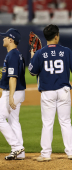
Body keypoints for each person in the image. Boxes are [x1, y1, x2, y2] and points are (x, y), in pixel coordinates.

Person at [28, 24, 72, 161]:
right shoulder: (66, 51)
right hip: (63, 91)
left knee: (47, 123)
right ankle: (70, 152)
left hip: (47, 93)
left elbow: (32, 72)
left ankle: (46, 154)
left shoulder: (40, 53)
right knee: (65, 122)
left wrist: (33, 56)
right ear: (56, 36)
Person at [0, 28, 26, 160]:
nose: (3, 38)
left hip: (13, 92)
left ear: (11, 40)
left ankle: (16, 147)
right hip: (18, 92)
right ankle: (20, 153)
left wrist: (10, 96)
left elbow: (13, 77)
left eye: (5, 37)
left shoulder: (12, 55)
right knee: (14, 121)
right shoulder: (17, 54)